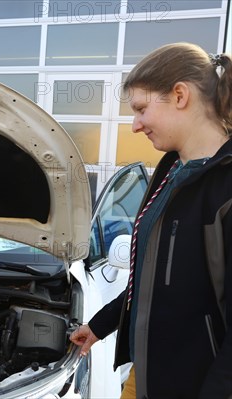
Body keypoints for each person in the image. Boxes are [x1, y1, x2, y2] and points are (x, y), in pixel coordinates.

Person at [70, 42, 232, 398]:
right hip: (144, 375)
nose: (135, 126)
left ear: (179, 95)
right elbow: (153, 275)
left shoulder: (225, 187)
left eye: (142, 109)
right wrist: (101, 325)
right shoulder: (170, 171)